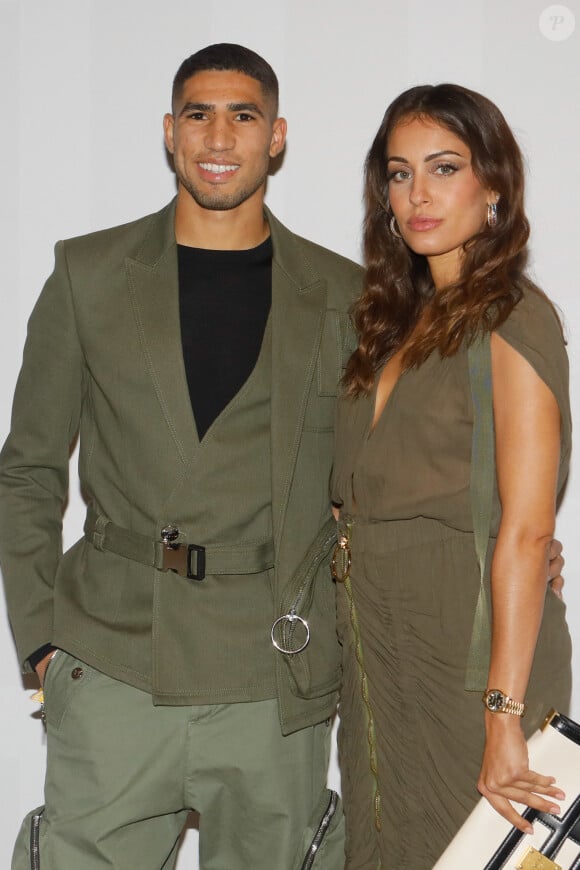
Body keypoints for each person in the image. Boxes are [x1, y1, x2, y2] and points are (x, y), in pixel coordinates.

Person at [0, 44, 363, 870]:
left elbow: (371, 483)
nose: (220, 135)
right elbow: (26, 467)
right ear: (171, 132)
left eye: (244, 115)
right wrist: (42, 643)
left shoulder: (345, 294)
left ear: (277, 137)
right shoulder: (89, 273)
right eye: (199, 113)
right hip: (115, 657)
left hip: (275, 672)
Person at [331, 83, 573, 868]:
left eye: (444, 167)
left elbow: (529, 527)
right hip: (380, 658)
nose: (419, 194)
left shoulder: (513, 316)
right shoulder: (389, 324)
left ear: (493, 188)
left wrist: (503, 716)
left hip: (468, 666)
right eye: (400, 174)